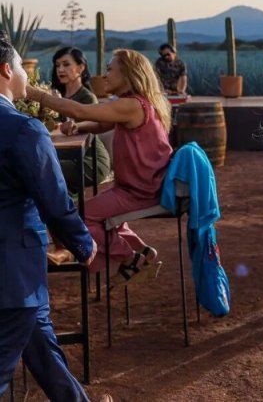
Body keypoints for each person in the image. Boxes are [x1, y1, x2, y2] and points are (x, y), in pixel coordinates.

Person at [0, 34, 109, 401]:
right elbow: (54, 198)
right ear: (6, 70)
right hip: (12, 272)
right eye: (21, 66)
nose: (24, 73)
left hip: (19, 280)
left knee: (42, 346)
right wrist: (82, 242)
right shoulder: (23, 128)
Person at [25, 49, 173, 286]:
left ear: (128, 74)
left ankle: (130, 259)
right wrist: (80, 127)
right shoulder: (138, 104)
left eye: (110, 69)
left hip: (140, 192)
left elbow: (79, 110)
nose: (105, 75)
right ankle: (142, 252)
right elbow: (103, 124)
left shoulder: (132, 105)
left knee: (77, 218)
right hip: (141, 187)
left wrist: (32, 92)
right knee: (92, 214)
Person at [50, 46, 111, 195]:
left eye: (66, 64)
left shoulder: (87, 98)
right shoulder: (56, 96)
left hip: (89, 160)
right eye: (57, 65)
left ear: (81, 67)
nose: (60, 69)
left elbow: (81, 129)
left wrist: (59, 105)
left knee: (44, 169)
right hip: (65, 155)